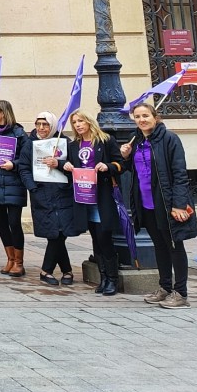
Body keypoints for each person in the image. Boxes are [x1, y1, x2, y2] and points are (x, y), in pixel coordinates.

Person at [117, 102, 197, 309]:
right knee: (159, 247)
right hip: (146, 204)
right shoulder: (136, 141)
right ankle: (165, 287)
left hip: (167, 203)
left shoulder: (169, 139)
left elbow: (180, 174)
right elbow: (132, 170)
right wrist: (125, 157)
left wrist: (179, 205)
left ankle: (180, 293)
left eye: (145, 115)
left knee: (174, 246)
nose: (142, 120)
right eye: (137, 117)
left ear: (155, 117)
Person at [59, 110, 119, 294]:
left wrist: (107, 166)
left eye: (81, 121)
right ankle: (102, 277)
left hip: (102, 196)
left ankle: (112, 279)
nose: (77, 125)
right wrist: (64, 165)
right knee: (95, 238)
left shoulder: (106, 140)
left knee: (104, 238)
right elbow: (65, 164)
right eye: (74, 122)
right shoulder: (73, 145)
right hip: (84, 197)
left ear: (89, 121)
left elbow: (120, 164)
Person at [0, 99, 35, 277]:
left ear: (3, 112)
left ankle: (19, 262)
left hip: (13, 183)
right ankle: (10, 259)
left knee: (14, 223)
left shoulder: (19, 133)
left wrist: (14, 164)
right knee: (2, 224)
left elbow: (27, 158)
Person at [28, 111, 79, 287]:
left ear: (53, 126)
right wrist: (33, 188)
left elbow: (72, 167)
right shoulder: (30, 143)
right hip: (41, 193)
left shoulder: (65, 143)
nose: (41, 128)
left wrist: (60, 164)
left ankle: (47, 270)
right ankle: (64, 270)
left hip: (62, 193)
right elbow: (24, 169)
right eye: (38, 124)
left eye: (45, 125)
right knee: (53, 233)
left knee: (61, 232)